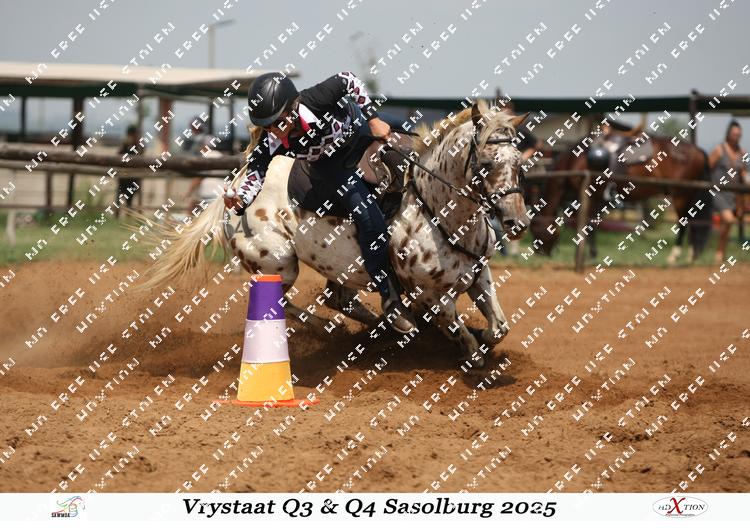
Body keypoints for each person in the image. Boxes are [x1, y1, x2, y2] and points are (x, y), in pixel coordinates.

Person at [223, 71, 416, 334]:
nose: (272, 131)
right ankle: (390, 297)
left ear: (293, 108)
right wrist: (241, 201)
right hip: (333, 166)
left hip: (359, 129)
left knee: (414, 141)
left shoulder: (315, 98)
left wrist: (373, 119)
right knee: (368, 217)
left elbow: (348, 79)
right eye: (267, 126)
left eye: (276, 122)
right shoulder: (271, 141)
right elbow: (255, 175)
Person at [708, 120, 748, 263]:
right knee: (728, 219)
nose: (737, 137)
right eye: (734, 134)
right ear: (728, 134)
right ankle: (719, 251)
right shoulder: (719, 150)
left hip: (734, 195)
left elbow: (744, 174)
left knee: (729, 223)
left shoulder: (742, 153)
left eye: (739, 135)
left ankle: (721, 252)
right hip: (718, 192)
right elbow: (707, 168)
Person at [116, 125, 142, 218]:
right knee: (119, 197)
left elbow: (141, 157)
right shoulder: (125, 144)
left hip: (133, 177)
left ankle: (128, 216)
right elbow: (119, 156)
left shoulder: (138, 145)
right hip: (123, 176)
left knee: (130, 198)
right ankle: (117, 215)